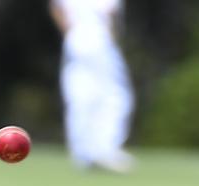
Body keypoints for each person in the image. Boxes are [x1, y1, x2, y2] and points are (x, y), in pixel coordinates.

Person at [50, 0, 135, 172]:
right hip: (97, 38)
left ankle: (82, 153)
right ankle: (105, 149)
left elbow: (57, 8)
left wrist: (70, 32)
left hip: (75, 38)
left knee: (80, 94)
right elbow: (111, 14)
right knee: (116, 95)